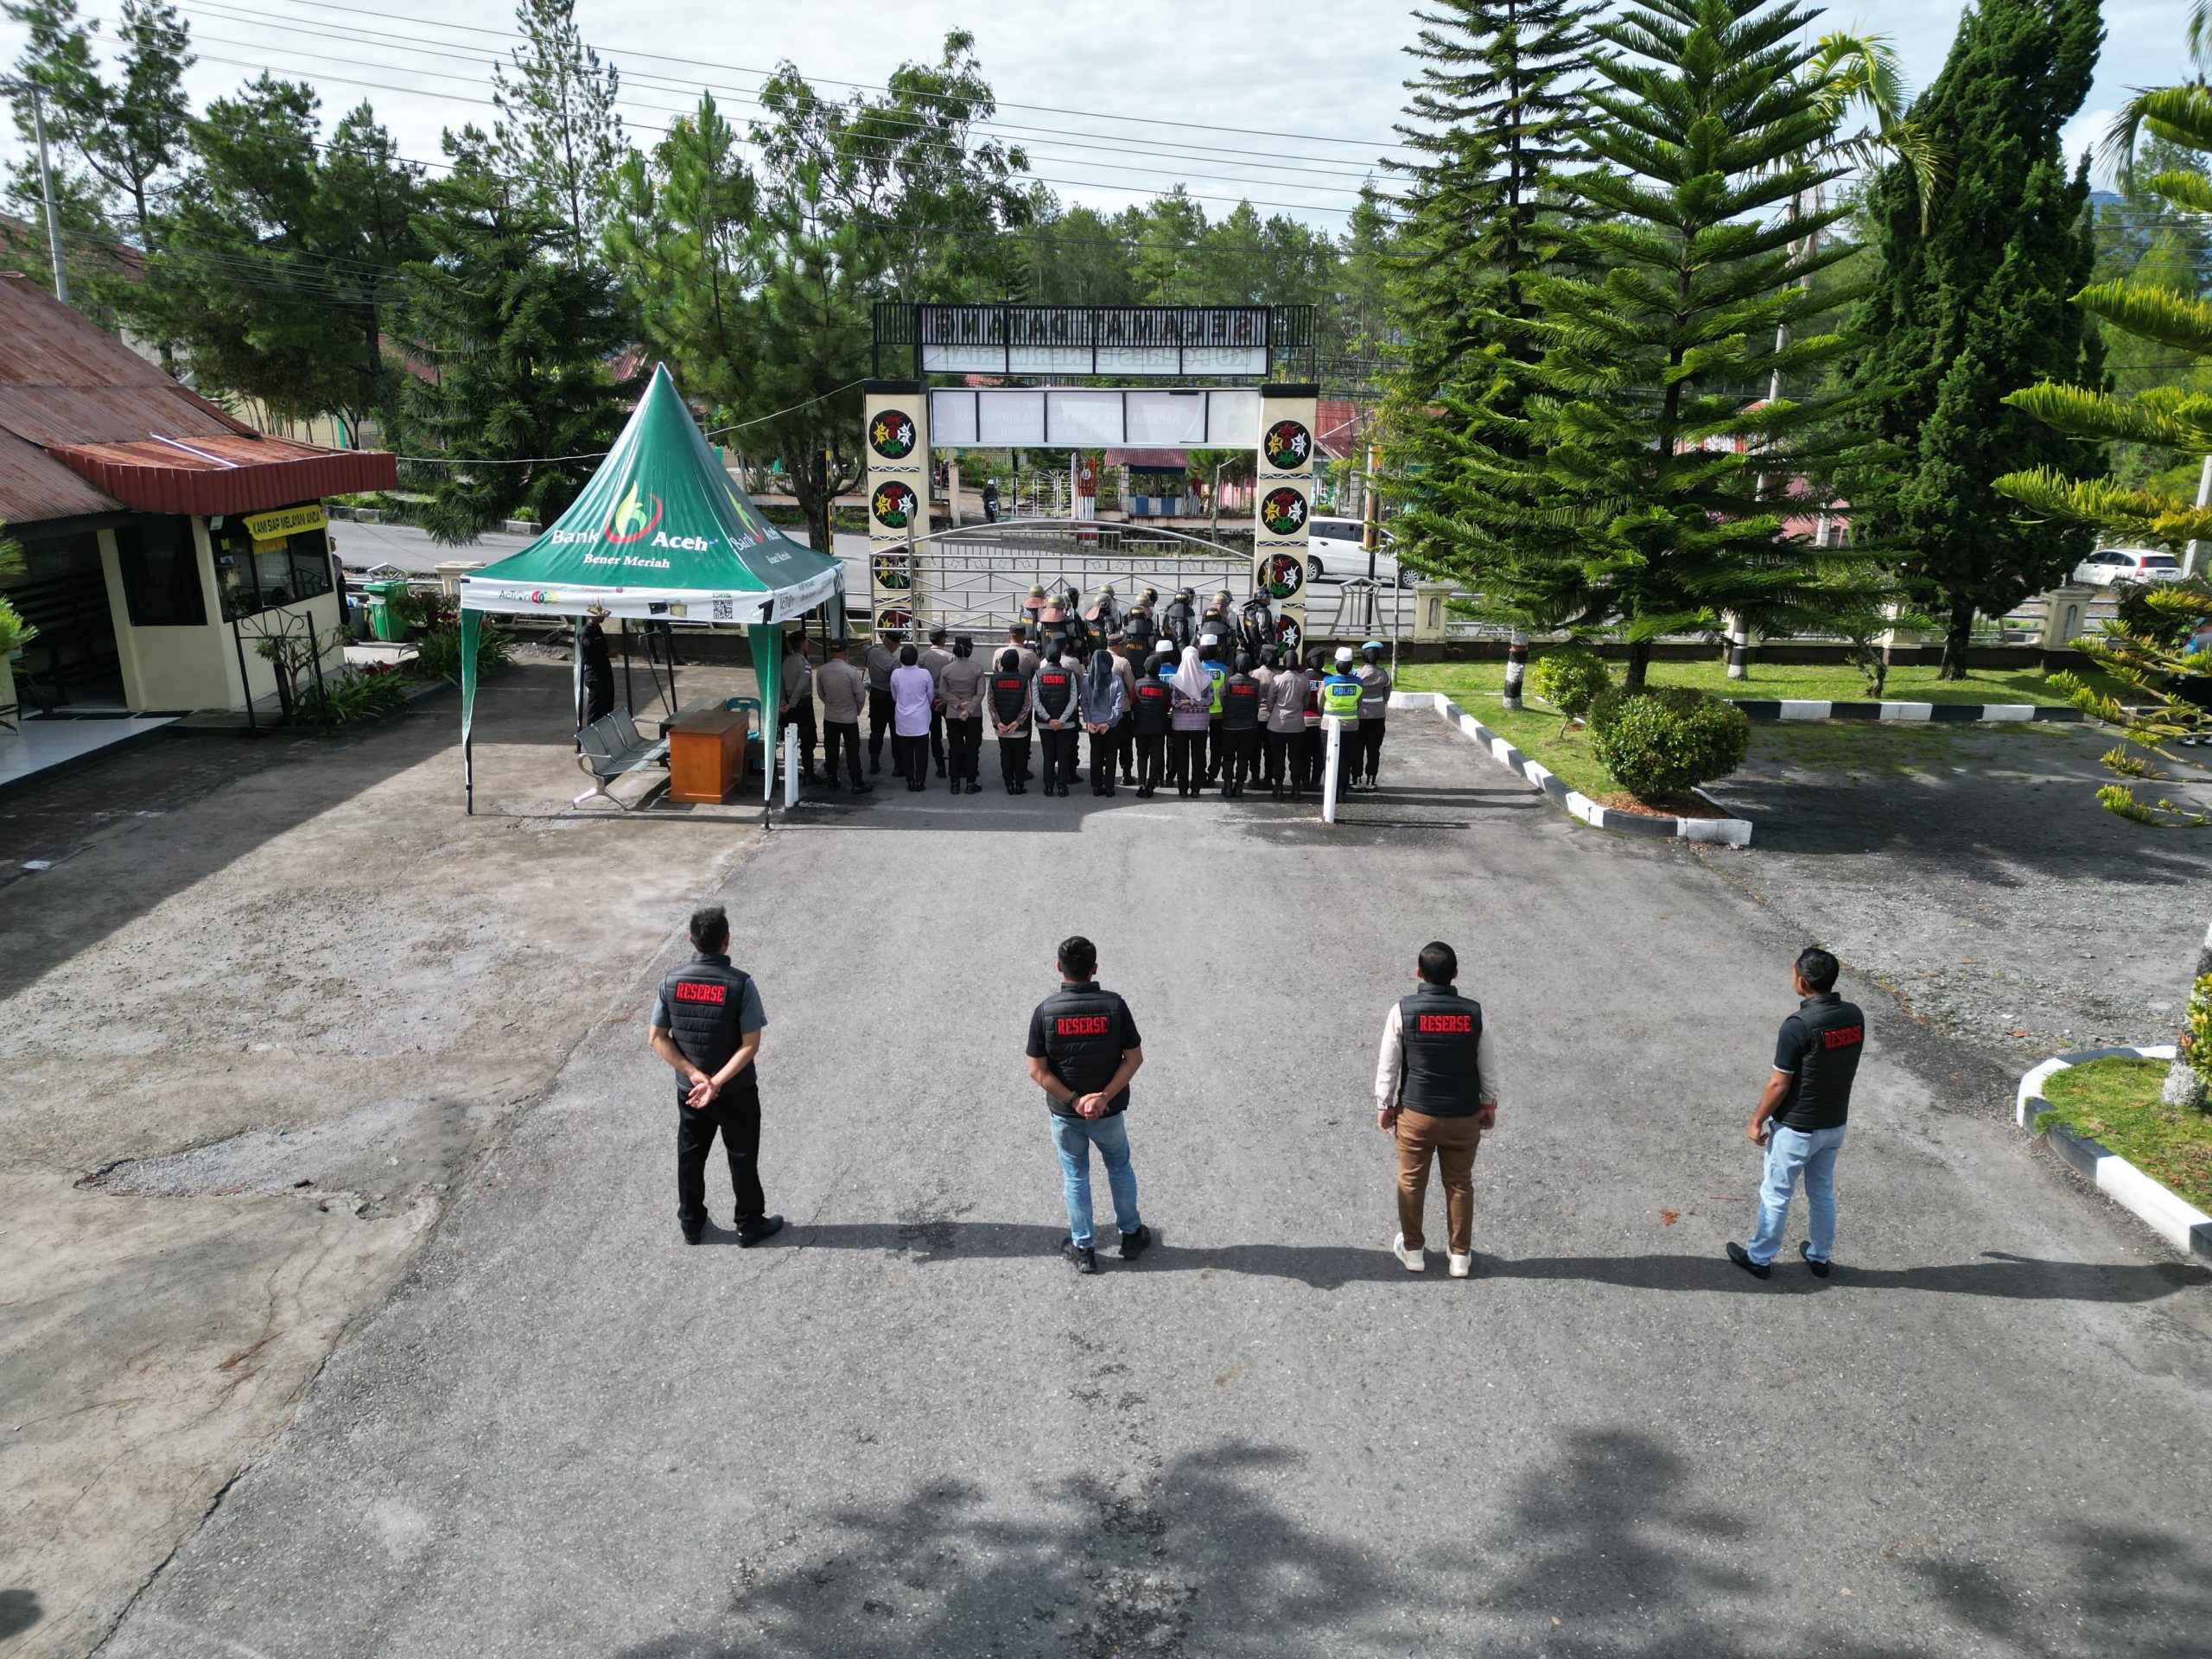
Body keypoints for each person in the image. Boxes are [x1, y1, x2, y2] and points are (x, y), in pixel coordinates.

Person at [648, 905, 783, 1248]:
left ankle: (691, 1223)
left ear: (691, 940)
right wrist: (717, 1082)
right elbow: (750, 1045)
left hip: (691, 1092)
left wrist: (696, 1076)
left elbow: (657, 1038)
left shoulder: (670, 982)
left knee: (691, 1155)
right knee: (742, 1154)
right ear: (727, 940)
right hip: (736, 1091)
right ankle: (749, 1224)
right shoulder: (741, 985)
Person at [1730, 947, 1867, 1280]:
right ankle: (1820, 1257)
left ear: (1802, 981)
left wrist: (1756, 1121)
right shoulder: (1854, 1015)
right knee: (1821, 1192)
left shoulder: (1798, 1025)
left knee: (1776, 1193)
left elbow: (1779, 1083)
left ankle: (1760, 1258)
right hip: (1834, 1124)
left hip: (1796, 1128)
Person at [1025, 934, 1148, 1274]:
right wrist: (1103, 1097)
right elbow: (1134, 1058)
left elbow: (1037, 1070)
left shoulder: (1045, 1012)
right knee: (1119, 1167)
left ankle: (1084, 1249)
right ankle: (1132, 1235)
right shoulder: (1115, 1006)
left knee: (1075, 1176)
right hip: (1108, 1113)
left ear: (1058, 967)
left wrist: (1075, 1101)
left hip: (1066, 1115)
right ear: (1095, 968)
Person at [1374, 941, 1498, 1277]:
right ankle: (1459, 1255)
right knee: (1459, 1183)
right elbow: (1487, 1065)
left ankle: (1413, 1250)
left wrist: (1385, 1105)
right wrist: (1488, 1103)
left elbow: (1389, 1064)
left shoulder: (1403, 1011)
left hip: (1416, 1114)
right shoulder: (1475, 1013)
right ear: (1455, 974)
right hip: (1462, 1114)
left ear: (1419, 973)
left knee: (1411, 1181)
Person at [815, 639, 872, 793]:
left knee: (831, 749)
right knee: (852, 751)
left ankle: (832, 779)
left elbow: (821, 693)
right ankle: (857, 782)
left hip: (830, 716)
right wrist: (856, 710)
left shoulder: (822, 670)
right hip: (849, 717)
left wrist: (830, 704)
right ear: (846, 652)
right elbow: (860, 695)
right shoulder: (851, 672)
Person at [938, 634, 988, 794]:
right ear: (970, 650)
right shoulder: (977, 669)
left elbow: (943, 692)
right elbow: (980, 693)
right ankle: (971, 783)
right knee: (972, 749)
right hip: (973, 714)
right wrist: (969, 709)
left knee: (954, 748)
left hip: (953, 714)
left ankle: (954, 784)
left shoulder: (946, 670)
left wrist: (958, 704)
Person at [1033, 640, 1083, 797]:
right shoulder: (1069, 674)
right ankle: (1062, 786)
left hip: (1044, 724)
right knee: (1063, 754)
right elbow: (1073, 701)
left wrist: (1048, 719)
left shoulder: (1038, 675)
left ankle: (1048, 786)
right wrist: (1061, 720)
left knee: (1048, 755)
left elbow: (1036, 701)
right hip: (1066, 724)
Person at [889, 643, 937, 791]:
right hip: (921, 718)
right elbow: (930, 695)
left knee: (906, 751)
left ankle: (910, 780)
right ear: (916, 658)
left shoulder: (896, 674)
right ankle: (920, 780)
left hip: (903, 718)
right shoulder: (925, 674)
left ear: (901, 659)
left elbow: (894, 695)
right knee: (922, 752)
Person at [1263, 648, 1309, 800]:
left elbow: (1270, 701)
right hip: (1297, 725)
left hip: (1278, 723)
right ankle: (1296, 788)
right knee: (1296, 757)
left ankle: (1278, 788)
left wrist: (1274, 710)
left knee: (1278, 757)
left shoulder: (1278, 679)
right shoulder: (1304, 680)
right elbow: (1306, 702)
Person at [1168, 643, 1212, 798]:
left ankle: (1182, 790)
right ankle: (1195, 790)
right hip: (1200, 724)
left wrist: (1187, 701)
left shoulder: (1175, 680)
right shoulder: (1206, 680)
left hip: (1180, 724)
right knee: (1198, 756)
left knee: (1181, 757)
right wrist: (1198, 702)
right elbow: (1209, 701)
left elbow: (1175, 703)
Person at [1130, 641, 1174, 797]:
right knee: (1156, 755)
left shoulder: (1138, 684)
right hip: (1159, 727)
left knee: (1142, 755)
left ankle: (1141, 784)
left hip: (1141, 726)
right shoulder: (1165, 687)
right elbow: (1168, 705)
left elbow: (1133, 702)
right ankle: (1151, 784)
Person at [1319, 645, 1364, 798]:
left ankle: (1330, 791)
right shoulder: (1358, 683)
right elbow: (1359, 704)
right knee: (1346, 759)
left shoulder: (1328, 682)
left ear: (1336, 664)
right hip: (1350, 726)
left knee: (1328, 758)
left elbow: (1320, 702)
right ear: (1351, 665)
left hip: (1328, 725)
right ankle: (1341, 792)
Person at [989, 647, 1033, 794]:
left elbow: (990, 703)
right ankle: (1019, 784)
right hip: (1020, 728)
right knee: (1021, 755)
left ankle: (1008, 783)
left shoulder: (994, 679)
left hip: (1002, 727)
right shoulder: (1024, 680)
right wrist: (1018, 721)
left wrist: (998, 722)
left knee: (1006, 754)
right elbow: (1028, 703)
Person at [1220, 652, 1263, 798]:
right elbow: (1258, 703)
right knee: (1243, 758)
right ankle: (1239, 788)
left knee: (1228, 757)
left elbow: (1222, 700)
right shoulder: (1256, 683)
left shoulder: (1228, 682)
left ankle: (1227, 786)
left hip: (1229, 726)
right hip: (1249, 727)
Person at [779, 631, 817, 784]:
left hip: (788, 704)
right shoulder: (805, 665)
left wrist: (783, 703)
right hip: (803, 705)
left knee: (789, 740)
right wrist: (792, 704)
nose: (808, 644)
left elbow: (780, 684)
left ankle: (791, 772)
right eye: (806, 641)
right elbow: (801, 687)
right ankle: (809, 774)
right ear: (802, 645)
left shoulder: (785, 662)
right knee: (808, 741)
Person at [1354, 640, 1392, 790]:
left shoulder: (1356, 673)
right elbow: (1386, 697)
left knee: (1357, 749)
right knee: (1374, 750)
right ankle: (1371, 780)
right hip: (1378, 717)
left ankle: (1356, 779)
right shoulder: (1385, 674)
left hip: (1359, 716)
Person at [864, 632, 902, 778]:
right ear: (894, 646)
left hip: (875, 695)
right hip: (890, 698)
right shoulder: (893, 662)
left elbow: (863, 648)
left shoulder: (871, 652)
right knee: (895, 732)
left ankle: (874, 762)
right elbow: (897, 682)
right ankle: (898, 765)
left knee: (876, 732)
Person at [920, 628, 954, 779]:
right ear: (942, 640)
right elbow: (954, 681)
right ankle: (955, 764)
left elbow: (920, 682)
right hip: (947, 700)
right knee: (953, 733)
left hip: (930, 701)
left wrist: (931, 699)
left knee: (935, 734)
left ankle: (940, 765)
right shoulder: (950, 657)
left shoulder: (922, 658)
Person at [1109, 637, 1141, 785]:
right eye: (1122, 646)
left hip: (1103, 711)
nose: (1125, 648)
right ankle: (1126, 775)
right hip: (1123, 709)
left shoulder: (1098, 658)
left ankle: (1106, 776)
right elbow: (1132, 686)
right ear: (1115, 647)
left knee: (1107, 744)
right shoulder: (1123, 662)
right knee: (1125, 743)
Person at [580, 616, 615, 728]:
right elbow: (586, 659)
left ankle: (606, 734)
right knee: (595, 712)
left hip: (605, 673)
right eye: (600, 614)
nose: (603, 617)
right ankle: (592, 736)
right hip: (595, 677)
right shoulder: (586, 632)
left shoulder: (597, 628)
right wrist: (607, 656)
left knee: (607, 709)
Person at [1301, 648, 1327, 791]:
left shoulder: (1302, 677)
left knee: (1304, 753)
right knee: (1319, 754)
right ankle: (1315, 781)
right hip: (1322, 721)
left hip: (1304, 721)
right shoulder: (1328, 678)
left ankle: (1304, 780)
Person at [1161, 587, 1198, 652]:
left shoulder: (1170, 608)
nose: (1192, 601)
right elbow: (1191, 632)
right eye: (1191, 598)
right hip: (1183, 644)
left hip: (1169, 643)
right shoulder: (1187, 612)